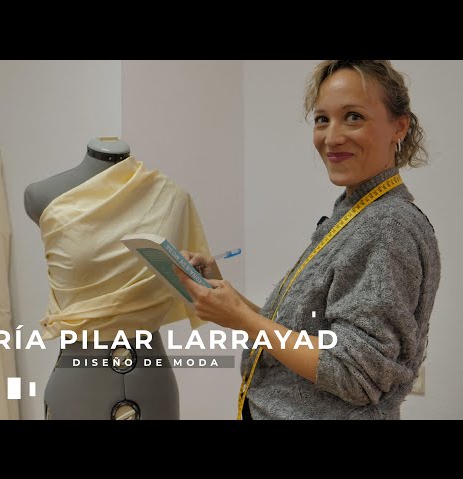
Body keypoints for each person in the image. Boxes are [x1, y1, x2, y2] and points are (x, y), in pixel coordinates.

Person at [174, 60, 441, 420]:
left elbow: (355, 374)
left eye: (353, 117)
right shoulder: (354, 213)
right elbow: (312, 336)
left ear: (400, 126)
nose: (332, 137)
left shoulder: (387, 225)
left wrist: (243, 318)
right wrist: (235, 305)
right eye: (322, 119)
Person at [25, 137, 211, 419]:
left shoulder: (172, 197)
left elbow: (198, 285)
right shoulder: (41, 196)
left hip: (153, 383)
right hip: (79, 385)